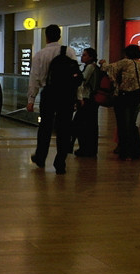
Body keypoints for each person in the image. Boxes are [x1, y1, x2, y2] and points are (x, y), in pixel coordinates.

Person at [26, 24, 79, 174]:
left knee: (45, 127)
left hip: (49, 93)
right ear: (59, 36)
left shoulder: (40, 54)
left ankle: (41, 157)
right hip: (67, 94)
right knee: (64, 128)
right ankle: (60, 162)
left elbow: (34, 79)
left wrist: (31, 100)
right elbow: (76, 75)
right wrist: (78, 97)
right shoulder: (69, 51)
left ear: (46, 36)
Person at [100, 44, 140, 161]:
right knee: (132, 124)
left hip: (124, 96)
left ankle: (124, 152)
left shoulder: (125, 62)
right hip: (137, 96)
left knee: (123, 125)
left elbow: (109, 68)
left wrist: (103, 63)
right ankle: (136, 151)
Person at [71, 47, 100, 157]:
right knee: (89, 125)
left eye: (84, 55)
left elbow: (82, 81)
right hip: (91, 100)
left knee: (81, 124)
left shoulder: (89, 68)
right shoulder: (93, 67)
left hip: (87, 99)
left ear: (91, 57)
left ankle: (85, 148)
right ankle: (89, 149)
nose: (82, 57)